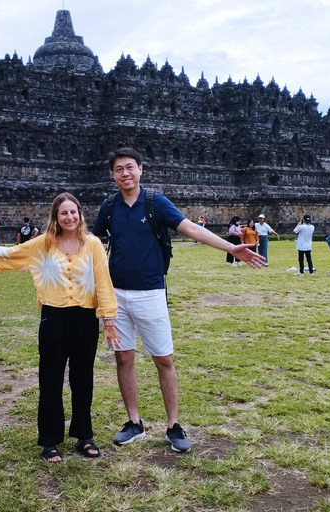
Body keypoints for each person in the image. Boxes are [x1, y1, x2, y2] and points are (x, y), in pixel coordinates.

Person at [91, 147, 264, 453]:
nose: (125, 174)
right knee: (123, 358)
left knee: (164, 359)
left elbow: (191, 230)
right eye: (119, 170)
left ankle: (173, 425)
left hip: (151, 292)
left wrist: (231, 247)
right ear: (113, 175)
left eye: (130, 167)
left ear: (141, 169)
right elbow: (90, 244)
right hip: (116, 295)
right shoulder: (109, 207)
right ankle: (134, 422)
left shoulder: (156, 203)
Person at [0, 193, 119, 462]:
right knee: (51, 379)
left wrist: (109, 321)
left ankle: (84, 436)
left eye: (73, 212)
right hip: (53, 317)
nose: (69, 217)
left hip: (84, 317)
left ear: (80, 214)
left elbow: (103, 282)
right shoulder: (43, 244)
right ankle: (49, 440)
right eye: (63, 213)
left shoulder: (92, 244)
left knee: (83, 379)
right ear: (55, 217)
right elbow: (11, 254)